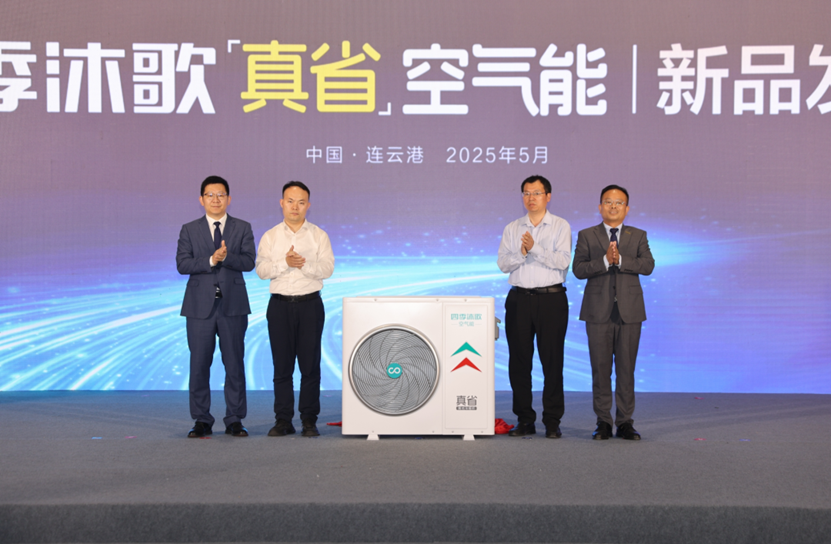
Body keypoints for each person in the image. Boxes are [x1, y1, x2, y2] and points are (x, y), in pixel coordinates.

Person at [572, 185, 654, 440]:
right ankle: (603, 422)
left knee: (626, 370)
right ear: (600, 207)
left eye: (619, 202)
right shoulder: (587, 235)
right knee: (601, 369)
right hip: (597, 312)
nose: (613, 206)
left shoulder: (638, 235)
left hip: (630, 312)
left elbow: (648, 265)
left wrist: (622, 260)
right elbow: (578, 269)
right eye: (608, 202)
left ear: (626, 209)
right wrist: (605, 261)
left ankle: (625, 422)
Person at [176, 175, 256, 438]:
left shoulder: (242, 227)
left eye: (220, 194)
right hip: (199, 308)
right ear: (201, 200)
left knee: (234, 364)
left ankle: (235, 419)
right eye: (210, 195)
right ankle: (201, 419)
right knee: (199, 365)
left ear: (229, 199)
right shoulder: (189, 229)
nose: (215, 199)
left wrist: (226, 257)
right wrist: (211, 260)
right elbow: (182, 264)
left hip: (233, 306)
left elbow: (249, 262)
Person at [256, 181, 334, 438]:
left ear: (308, 205)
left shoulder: (319, 235)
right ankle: (283, 420)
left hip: (310, 305)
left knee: (310, 366)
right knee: (282, 366)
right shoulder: (271, 236)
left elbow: (328, 269)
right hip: (279, 306)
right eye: (290, 201)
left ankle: (309, 420)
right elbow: (261, 270)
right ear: (282, 203)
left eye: (301, 202)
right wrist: (285, 263)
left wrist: (303, 265)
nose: (295, 207)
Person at [497, 175, 572, 439]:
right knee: (519, 362)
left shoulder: (560, 225)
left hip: (551, 300)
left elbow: (563, 262)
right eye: (527, 193)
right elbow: (503, 264)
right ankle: (525, 420)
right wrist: (522, 253)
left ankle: (552, 421)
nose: (531, 198)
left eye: (537, 193)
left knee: (552, 361)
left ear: (548, 196)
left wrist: (535, 249)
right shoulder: (512, 228)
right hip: (519, 300)